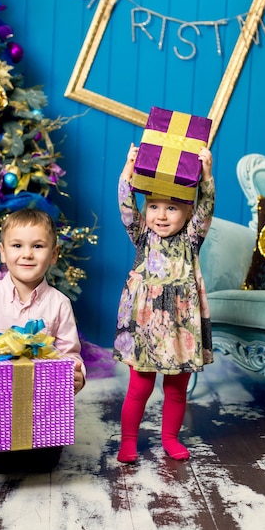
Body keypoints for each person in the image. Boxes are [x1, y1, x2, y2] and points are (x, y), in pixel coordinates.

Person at [0, 208, 85, 473]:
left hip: (42, 402)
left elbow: (71, 354)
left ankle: (37, 448)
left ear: (54, 254)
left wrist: (77, 374)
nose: (27, 254)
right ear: (3, 252)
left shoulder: (59, 304)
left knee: (44, 460)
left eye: (38, 246)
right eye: (17, 245)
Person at [113, 143, 215, 464]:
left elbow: (206, 207)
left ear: (187, 212)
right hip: (146, 325)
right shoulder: (143, 235)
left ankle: (170, 437)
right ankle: (128, 441)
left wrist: (206, 177)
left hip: (182, 325)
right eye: (154, 206)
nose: (160, 215)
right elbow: (126, 205)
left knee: (176, 389)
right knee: (140, 387)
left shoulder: (191, 239)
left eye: (171, 208)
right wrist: (128, 170)